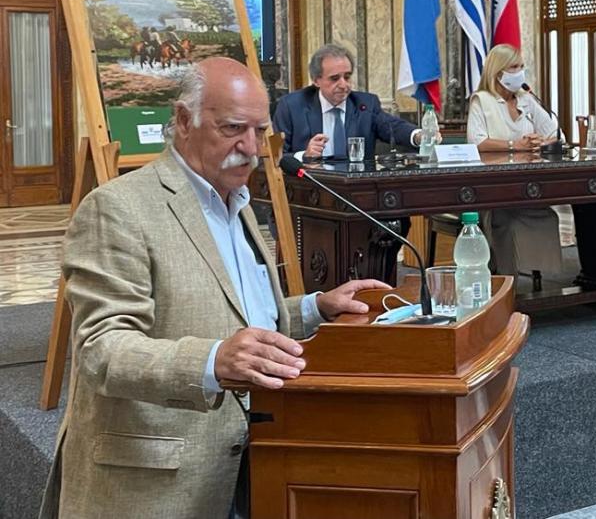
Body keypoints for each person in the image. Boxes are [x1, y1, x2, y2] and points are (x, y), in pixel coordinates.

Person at [40, 58, 388, 519]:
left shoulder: (236, 200)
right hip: (157, 482)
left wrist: (314, 306)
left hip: (251, 457)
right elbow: (102, 349)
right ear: (184, 120)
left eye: (260, 131)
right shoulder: (117, 209)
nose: (250, 147)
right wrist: (211, 362)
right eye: (232, 129)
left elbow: (233, 311)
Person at [467, 44, 563, 278]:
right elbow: (476, 142)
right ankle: (505, 277)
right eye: (514, 67)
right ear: (498, 72)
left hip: (527, 185)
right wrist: (514, 145)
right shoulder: (482, 100)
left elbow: (557, 134)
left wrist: (540, 141)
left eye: (521, 66)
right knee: (504, 217)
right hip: (493, 188)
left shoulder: (526, 99)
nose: (520, 72)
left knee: (548, 216)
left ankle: (537, 274)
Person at [274, 43, 425, 160]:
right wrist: (304, 155)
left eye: (347, 77)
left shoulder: (365, 104)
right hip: (310, 187)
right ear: (316, 80)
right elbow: (275, 157)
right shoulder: (291, 106)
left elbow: (393, 127)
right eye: (334, 78)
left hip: (356, 187)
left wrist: (419, 136)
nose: (343, 84)